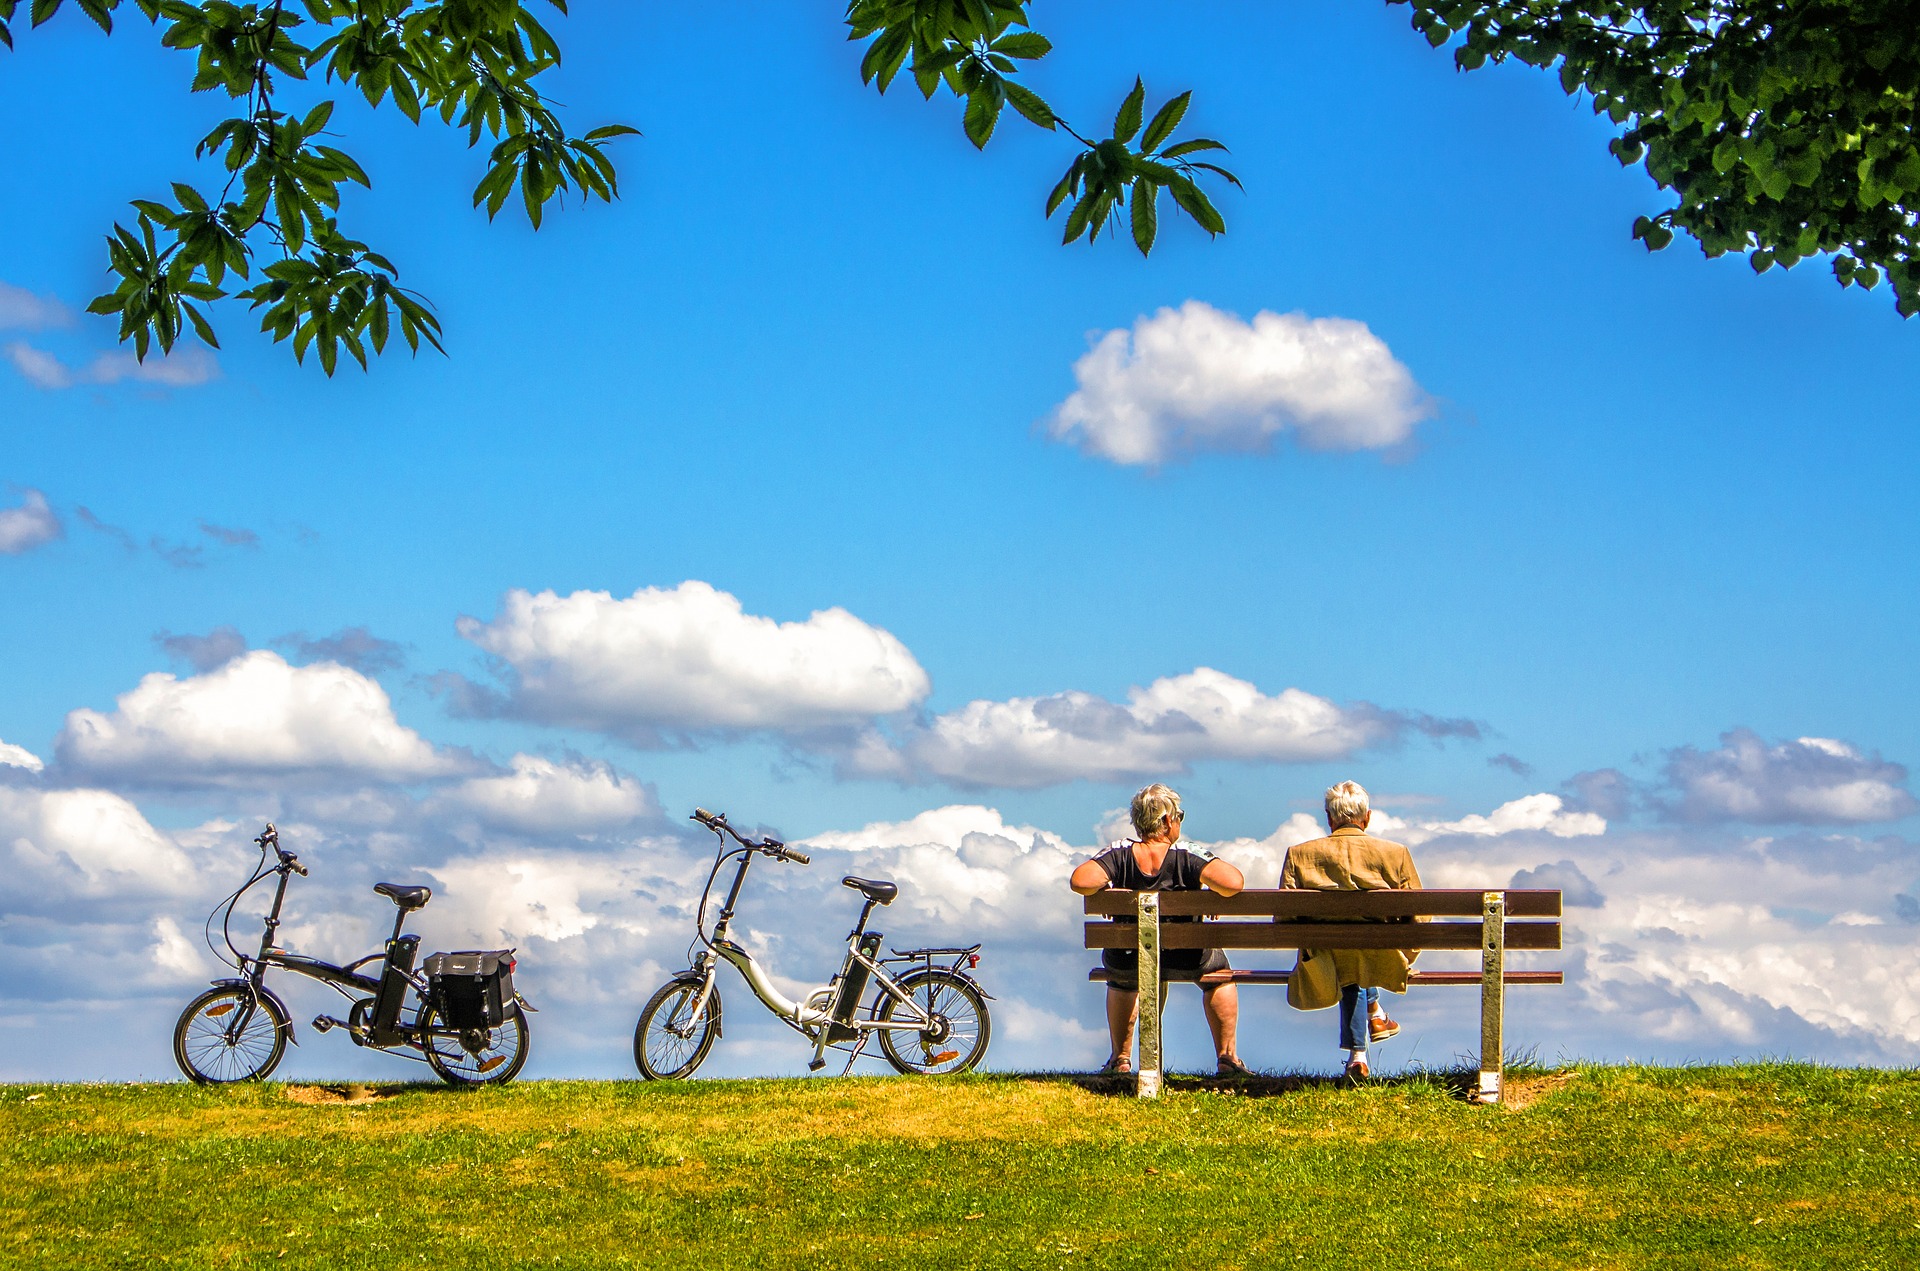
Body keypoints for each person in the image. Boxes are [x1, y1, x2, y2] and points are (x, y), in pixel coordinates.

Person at [1070, 783, 1251, 1077]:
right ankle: (1227, 1057)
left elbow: (1080, 880)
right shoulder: (1186, 854)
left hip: (1129, 957)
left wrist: (1108, 888)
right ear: (1167, 821)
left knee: (1122, 976)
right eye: (1179, 815)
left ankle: (1120, 1058)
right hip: (1187, 956)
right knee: (1220, 977)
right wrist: (1206, 893)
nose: (1179, 821)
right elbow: (1233, 882)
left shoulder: (1119, 853)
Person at [1280, 780, 1422, 1081]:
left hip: (1323, 960)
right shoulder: (1395, 853)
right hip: (1381, 954)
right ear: (1367, 817)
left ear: (1330, 819)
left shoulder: (1299, 854)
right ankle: (1372, 1020)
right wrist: (1405, 957)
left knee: (1345, 953)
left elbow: (1283, 918)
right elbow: (1420, 917)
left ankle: (1359, 1053)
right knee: (1358, 953)